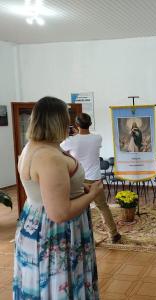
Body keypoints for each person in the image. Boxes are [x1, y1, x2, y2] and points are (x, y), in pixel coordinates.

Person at [13, 97, 101, 299]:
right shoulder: (49, 157)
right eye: (66, 119)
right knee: (59, 285)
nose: (69, 125)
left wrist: (80, 187)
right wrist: (93, 195)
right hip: (55, 232)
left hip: (35, 221)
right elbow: (59, 213)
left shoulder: (31, 147)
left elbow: (49, 188)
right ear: (57, 122)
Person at [61, 113, 121, 243]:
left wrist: (70, 134)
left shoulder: (71, 141)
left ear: (76, 125)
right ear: (90, 124)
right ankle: (114, 234)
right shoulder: (97, 138)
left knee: (80, 209)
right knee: (103, 207)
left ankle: (82, 237)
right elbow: (89, 136)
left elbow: (60, 149)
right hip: (96, 179)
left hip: (79, 180)